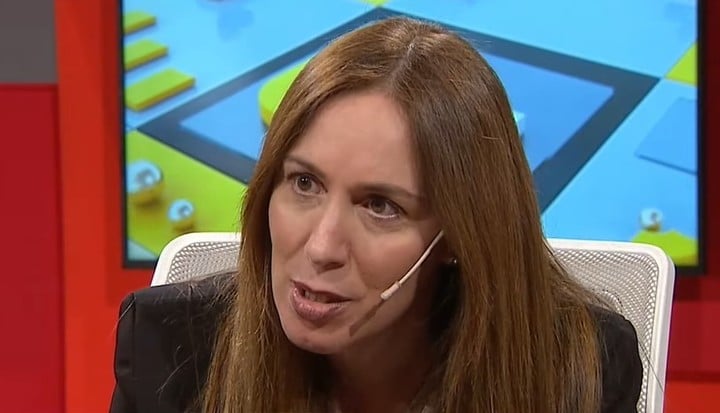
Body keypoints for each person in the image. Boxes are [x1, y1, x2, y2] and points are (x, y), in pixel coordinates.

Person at [110, 17, 643, 413]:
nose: (322, 247)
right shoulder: (171, 351)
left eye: (380, 207)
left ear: (459, 236)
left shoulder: (579, 368)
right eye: (304, 183)